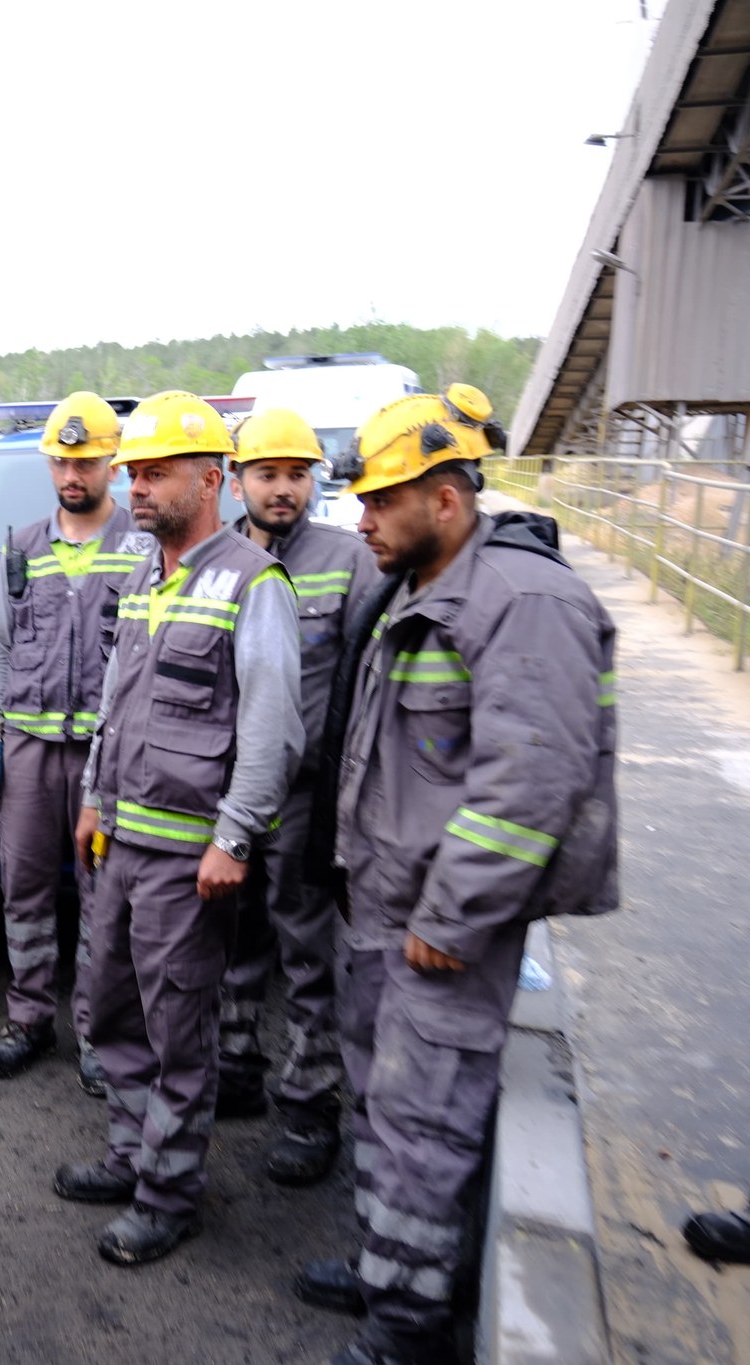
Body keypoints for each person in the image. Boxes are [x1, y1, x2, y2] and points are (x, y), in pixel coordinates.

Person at [297, 386, 617, 1365]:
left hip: (438, 925)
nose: (360, 521)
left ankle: (408, 1331)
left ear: (444, 498)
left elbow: (531, 784)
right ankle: (388, 1271)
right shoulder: (417, 586)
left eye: (379, 502)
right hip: (381, 903)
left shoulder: (521, 602)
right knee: (381, 1103)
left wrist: (451, 915)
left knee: (423, 1124)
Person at [55, 389, 303, 1266]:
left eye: (156, 473)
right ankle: (130, 1156)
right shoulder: (143, 576)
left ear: (212, 480)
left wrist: (234, 836)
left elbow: (274, 725)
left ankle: (168, 1195)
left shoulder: (252, 582)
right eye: (135, 473)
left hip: (188, 856)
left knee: (178, 1031)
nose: (138, 487)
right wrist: (93, 796)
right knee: (113, 1010)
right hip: (119, 843)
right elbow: (115, 706)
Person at [214, 408, 379, 1184]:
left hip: (308, 798)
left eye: (297, 474)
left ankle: (312, 1105)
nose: (283, 488)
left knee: (309, 953)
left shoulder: (349, 561)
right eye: (267, 474)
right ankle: (236, 1067)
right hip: (229, 794)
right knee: (233, 938)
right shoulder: (216, 560)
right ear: (237, 481)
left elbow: (369, 687)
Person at [0, 393, 149, 1083]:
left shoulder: (142, 549)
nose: (73, 475)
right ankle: (28, 1019)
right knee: (24, 890)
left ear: (114, 466)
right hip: (28, 751)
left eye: (87, 462)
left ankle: (100, 1035)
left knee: (106, 902)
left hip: (109, 759)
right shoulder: (20, 547)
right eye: (62, 463)